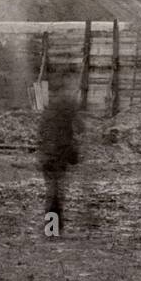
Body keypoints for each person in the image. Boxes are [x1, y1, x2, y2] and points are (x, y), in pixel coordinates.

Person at [37, 85, 81, 231]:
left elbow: (43, 138)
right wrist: (72, 156)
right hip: (54, 160)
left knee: (54, 193)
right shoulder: (62, 121)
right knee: (54, 194)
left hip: (48, 159)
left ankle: (54, 227)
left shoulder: (48, 115)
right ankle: (52, 228)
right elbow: (64, 142)